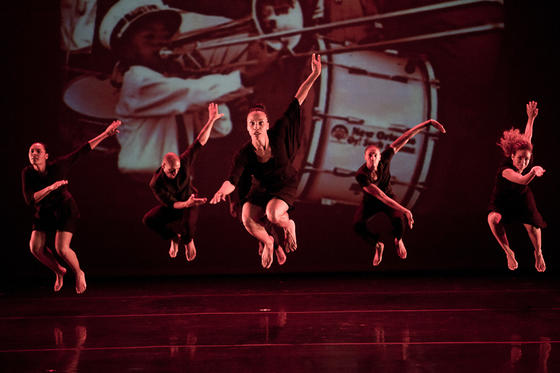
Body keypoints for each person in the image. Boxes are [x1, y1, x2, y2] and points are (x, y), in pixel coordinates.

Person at [98, 0, 246, 172]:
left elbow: (220, 128)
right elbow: (193, 93)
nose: (161, 43)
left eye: (166, 36)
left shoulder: (175, 88)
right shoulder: (137, 81)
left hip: (179, 180)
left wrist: (203, 80)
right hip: (144, 184)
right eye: (149, 37)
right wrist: (245, 77)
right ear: (126, 50)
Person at [210, 54, 322, 269]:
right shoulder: (245, 153)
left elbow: (298, 99)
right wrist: (222, 191)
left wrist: (314, 75)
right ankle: (269, 242)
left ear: (267, 124)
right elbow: (233, 178)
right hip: (263, 188)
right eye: (252, 123)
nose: (256, 126)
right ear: (247, 126)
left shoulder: (279, 132)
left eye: (260, 122)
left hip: (284, 184)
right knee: (246, 217)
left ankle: (289, 224)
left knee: (272, 213)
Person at [22, 120, 122, 294]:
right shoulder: (27, 173)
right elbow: (30, 199)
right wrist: (51, 188)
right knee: (35, 248)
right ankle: (59, 271)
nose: (34, 154)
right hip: (44, 211)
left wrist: (106, 134)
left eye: (38, 151)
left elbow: (82, 150)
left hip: (65, 209)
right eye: (31, 151)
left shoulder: (58, 166)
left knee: (61, 248)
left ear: (46, 155)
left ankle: (78, 272)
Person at [354, 119, 446, 266]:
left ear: (379, 157)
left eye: (375, 155)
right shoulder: (361, 175)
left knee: (399, 221)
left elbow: (406, 137)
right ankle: (378, 245)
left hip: (388, 196)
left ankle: (398, 240)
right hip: (372, 201)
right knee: (357, 225)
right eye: (369, 155)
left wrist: (427, 123)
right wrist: (406, 210)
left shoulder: (385, 159)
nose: (372, 158)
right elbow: (380, 196)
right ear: (365, 158)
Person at [143, 103, 224, 260]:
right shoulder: (156, 183)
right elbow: (172, 204)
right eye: (171, 171)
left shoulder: (184, 161)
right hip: (175, 205)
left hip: (190, 201)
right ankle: (174, 237)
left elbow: (200, 141)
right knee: (149, 220)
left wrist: (211, 120)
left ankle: (187, 240)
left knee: (188, 227)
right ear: (163, 166)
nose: (175, 173)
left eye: (177, 169)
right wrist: (184, 204)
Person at [488, 101, 546, 272]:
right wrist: (533, 171)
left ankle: (539, 252)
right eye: (520, 158)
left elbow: (527, 137)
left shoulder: (524, 155)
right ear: (512, 155)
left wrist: (531, 118)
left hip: (521, 198)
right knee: (492, 219)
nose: (523, 162)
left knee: (533, 227)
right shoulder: (505, 170)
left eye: (527, 159)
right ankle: (508, 252)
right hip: (503, 200)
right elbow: (522, 180)